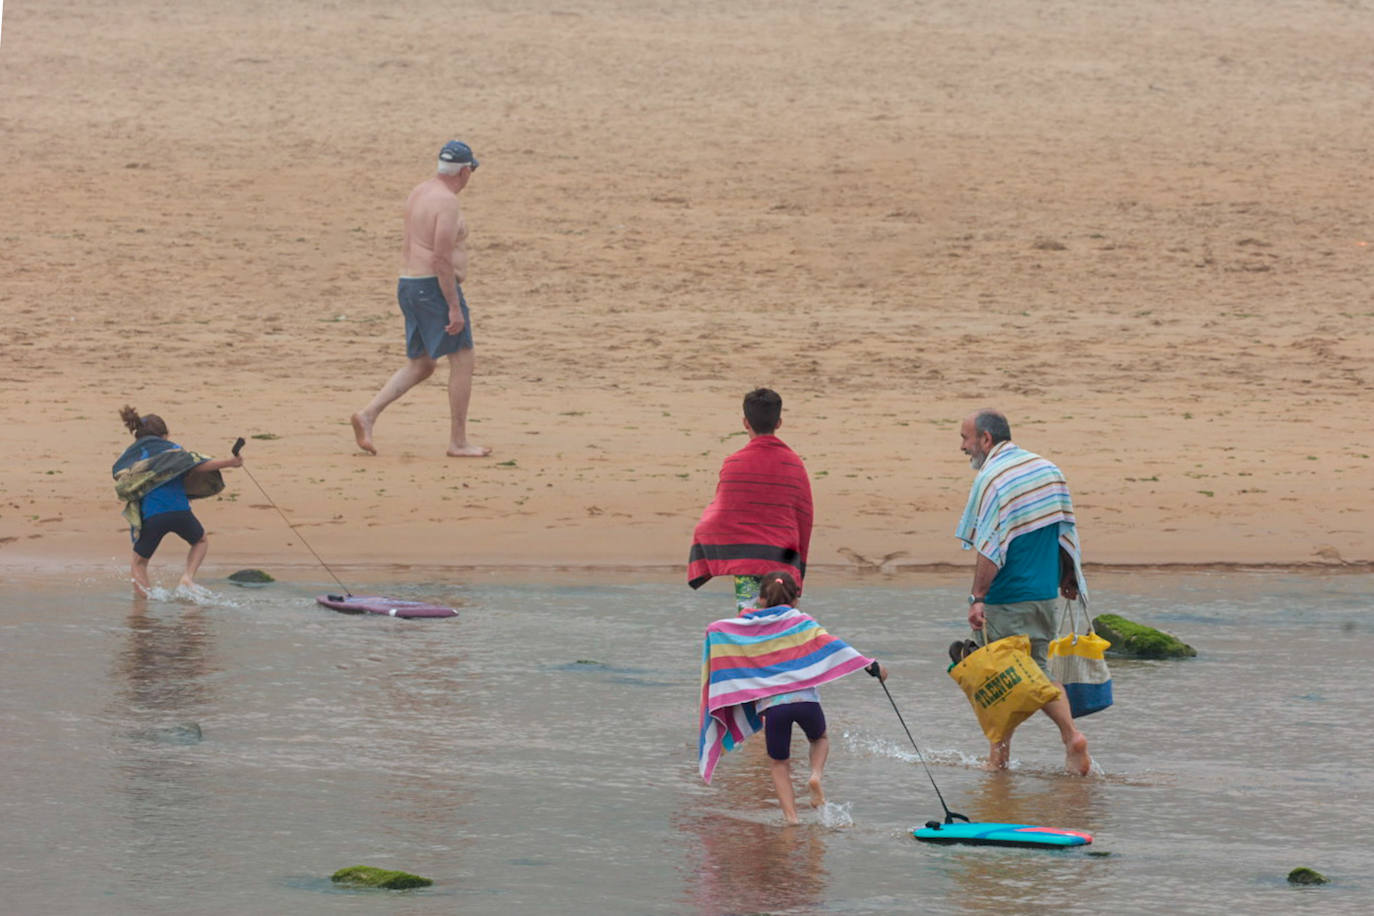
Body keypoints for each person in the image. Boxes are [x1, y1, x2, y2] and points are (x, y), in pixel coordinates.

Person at [955, 408, 1092, 775]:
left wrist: (978, 597)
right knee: (1040, 672)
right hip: (1046, 593)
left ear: (986, 439)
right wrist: (1068, 576)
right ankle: (1070, 736)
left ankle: (998, 757)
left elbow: (990, 545)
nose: (963, 447)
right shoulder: (1048, 470)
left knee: (999, 677)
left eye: (966, 439)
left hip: (1006, 597)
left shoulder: (993, 478)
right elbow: (1063, 530)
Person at [698, 571, 888, 825]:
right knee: (819, 738)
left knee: (779, 764)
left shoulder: (749, 627)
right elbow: (832, 644)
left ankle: (791, 819)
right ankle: (816, 776)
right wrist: (867, 664)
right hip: (806, 702)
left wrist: (716, 634)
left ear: (762, 599)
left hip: (773, 708)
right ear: (796, 599)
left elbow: (717, 629)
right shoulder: (802, 621)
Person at [351, 140, 492, 458]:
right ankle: (458, 441)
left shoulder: (421, 191)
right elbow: (440, 258)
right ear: (465, 170)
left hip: (409, 285)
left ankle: (367, 415)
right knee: (463, 358)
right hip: (432, 288)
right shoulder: (446, 202)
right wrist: (454, 306)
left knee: (423, 364)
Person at [687, 388, 813, 611]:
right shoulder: (794, 464)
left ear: (745, 422)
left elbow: (723, 512)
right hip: (782, 561)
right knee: (782, 622)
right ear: (779, 422)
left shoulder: (734, 463)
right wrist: (799, 564)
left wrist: (702, 533)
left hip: (746, 560)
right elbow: (804, 516)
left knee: (749, 621)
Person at [112, 406, 243, 594]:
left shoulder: (133, 458)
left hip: (153, 516)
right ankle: (187, 578)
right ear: (165, 435)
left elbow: (122, 477)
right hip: (181, 512)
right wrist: (231, 462)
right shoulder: (174, 453)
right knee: (200, 541)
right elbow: (197, 464)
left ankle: (144, 607)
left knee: (139, 563)